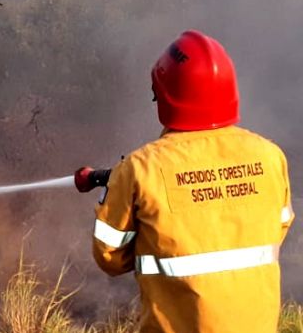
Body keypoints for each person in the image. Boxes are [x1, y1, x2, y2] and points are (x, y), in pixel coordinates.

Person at [75, 30, 294, 333]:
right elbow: (274, 228)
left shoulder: (140, 169)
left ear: (164, 97)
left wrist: (121, 198)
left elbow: (110, 258)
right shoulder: (271, 157)